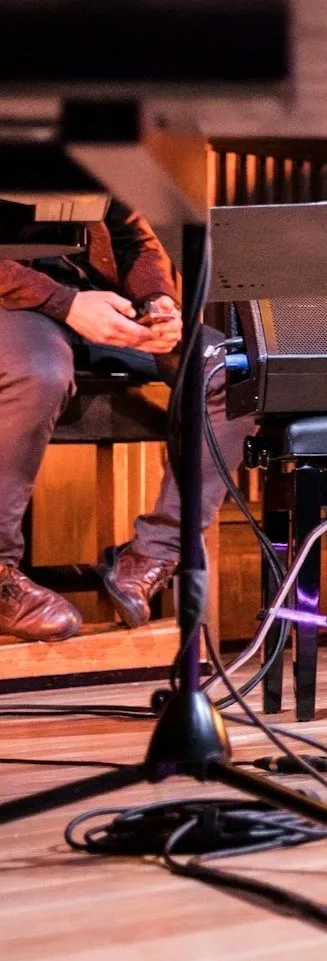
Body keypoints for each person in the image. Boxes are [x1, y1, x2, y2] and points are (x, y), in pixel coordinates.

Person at [0, 199, 252, 641]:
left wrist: (157, 301)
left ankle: (154, 554)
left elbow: (131, 233)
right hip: (14, 302)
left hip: (96, 300)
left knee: (235, 372)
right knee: (39, 374)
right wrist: (64, 303)